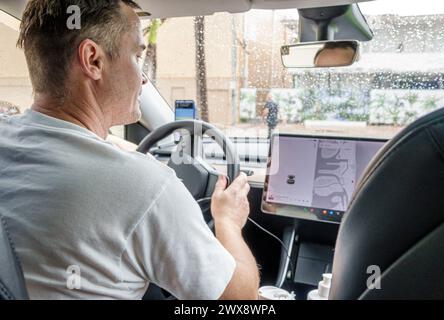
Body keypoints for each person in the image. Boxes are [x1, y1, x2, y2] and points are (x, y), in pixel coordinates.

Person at [0, 0, 259, 300]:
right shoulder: (146, 186)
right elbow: (239, 300)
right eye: (137, 55)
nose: (143, 77)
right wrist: (227, 221)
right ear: (93, 60)